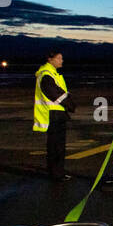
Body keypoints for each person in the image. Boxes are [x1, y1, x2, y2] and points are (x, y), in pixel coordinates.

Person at [34, 50, 70, 180]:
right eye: (59, 58)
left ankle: (58, 172)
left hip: (57, 114)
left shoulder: (51, 74)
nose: (62, 60)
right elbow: (55, 94)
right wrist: (70, 104)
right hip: (53, 115)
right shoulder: (46, 75)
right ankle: (56, 174)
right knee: (56, 146)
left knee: (57, 146)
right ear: (51, 59)